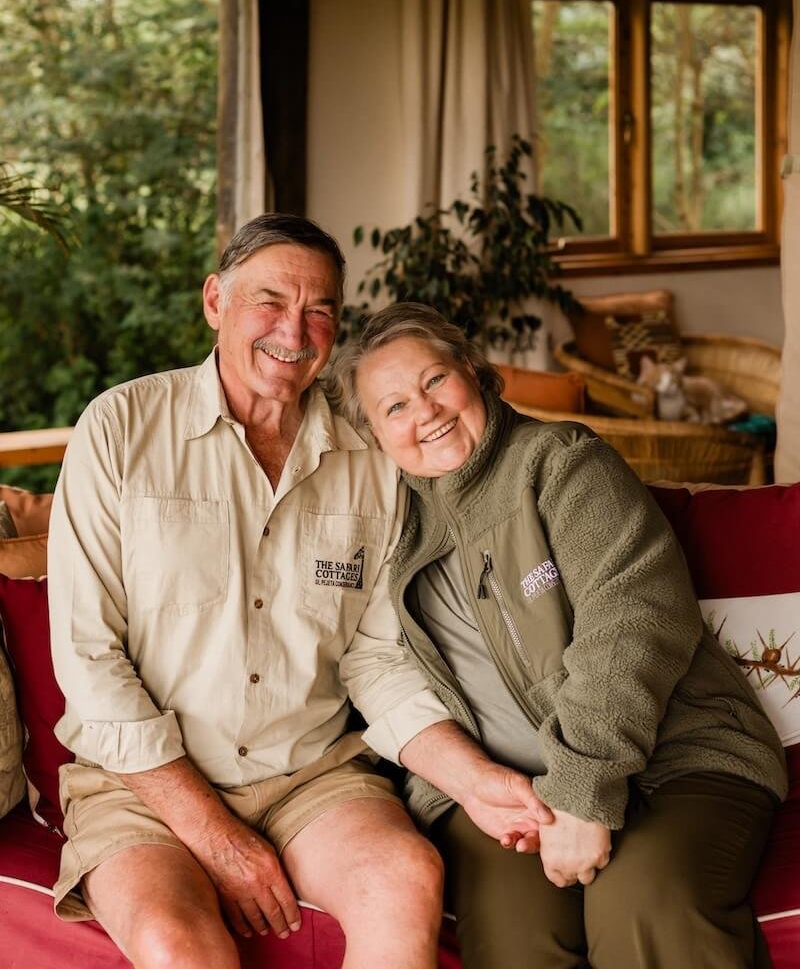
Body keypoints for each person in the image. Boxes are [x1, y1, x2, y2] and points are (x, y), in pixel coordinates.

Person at [47, 215, 552, 969]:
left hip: (311, 776)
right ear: (215, 300)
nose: (295, 328)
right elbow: (89, 661)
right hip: (139, 791)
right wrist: (217, 837)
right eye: (270, 301)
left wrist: (473, 780)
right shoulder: (120, 429)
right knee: (177, 948)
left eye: (320, 310)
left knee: (406, 878)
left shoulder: (371, 457)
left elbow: (377, 658)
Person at [331, 301, 788, 969]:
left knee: (645, 904)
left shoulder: (561, 463)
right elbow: (373, 668)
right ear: (374, 435)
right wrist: (479, 787)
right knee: (515, 939)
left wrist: (579, 790)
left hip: (679, 756)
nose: (423, 411)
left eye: (434, 381)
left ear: (472, 371)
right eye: (394, 406)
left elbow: (632, 618)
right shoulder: (386, 524)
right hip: (506, 791)